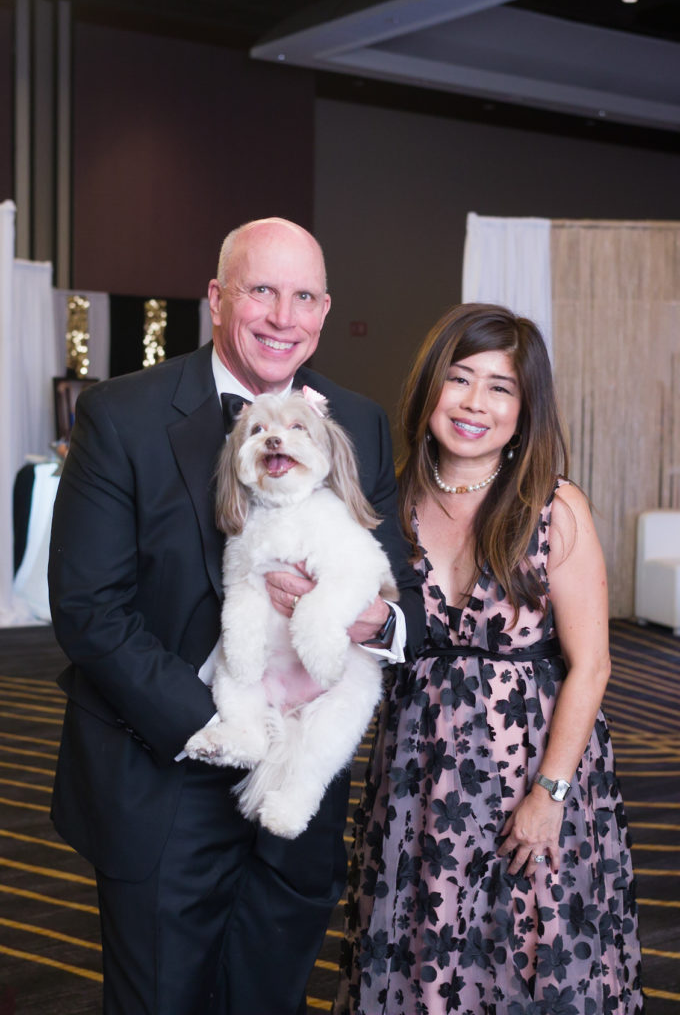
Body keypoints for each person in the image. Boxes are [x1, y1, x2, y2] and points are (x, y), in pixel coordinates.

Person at [48, 217, 424, 1015]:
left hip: (299, 778)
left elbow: (404, 599)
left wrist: (373, 625)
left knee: (270, 998)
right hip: (165, 768)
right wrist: (220, 723)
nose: (282, 318)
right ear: (217, 298)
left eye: (303, 297)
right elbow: (89, 610)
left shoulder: (354, 420)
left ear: (324, 311)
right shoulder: (122, 414)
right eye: (261, 291)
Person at [334, 303, 643, 1014]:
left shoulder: (552, 506)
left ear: (524, 407)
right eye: (460, 379)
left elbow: (591, 664)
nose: (475, 403)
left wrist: (549, 795)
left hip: (528, 774)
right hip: (417, 776)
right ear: (429, 388)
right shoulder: (389, 500)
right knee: (421, 947)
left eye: (500, 388)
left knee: (530, 951)